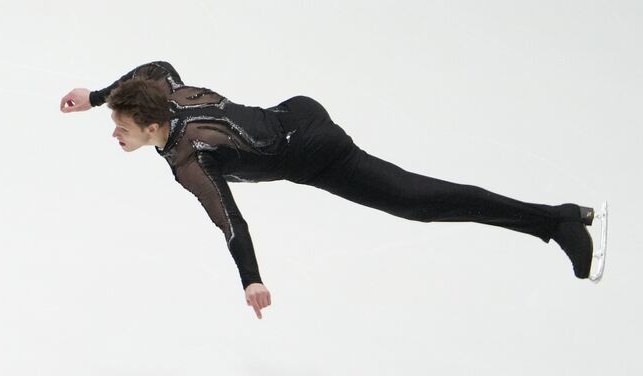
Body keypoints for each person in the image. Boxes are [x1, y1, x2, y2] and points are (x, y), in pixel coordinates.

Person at [59, 61, 605, 319]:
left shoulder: (188, 158)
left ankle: (556, 220)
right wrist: (100, 95)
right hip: (294, 110)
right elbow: (158, 65)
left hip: (314, 150)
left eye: (122, 128)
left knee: (418, 202)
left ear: (153, 128)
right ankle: (555, 219)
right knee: (418, 200)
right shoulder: (167, 94)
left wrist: (251, 279)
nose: (116, 134)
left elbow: (230, 221)